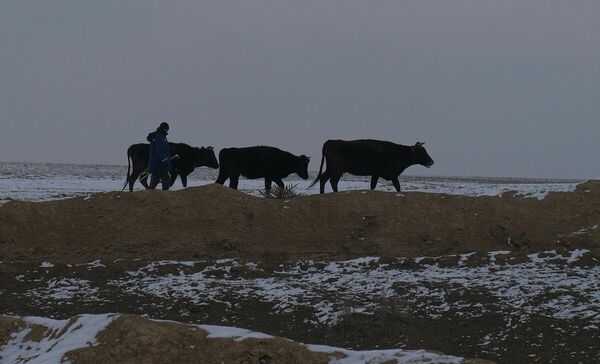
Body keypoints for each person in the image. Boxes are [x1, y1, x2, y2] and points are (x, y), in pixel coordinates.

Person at [147, 122, 172, 190]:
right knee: (166, 181)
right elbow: (160, 151)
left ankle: (149, 196)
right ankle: (165, 198)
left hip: (155, 164)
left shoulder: (157, 136)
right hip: (160, 165)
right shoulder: (160, 137)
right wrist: (165, 161)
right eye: (167, 129)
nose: (167, 131)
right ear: (164, 129)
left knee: (154, 182)